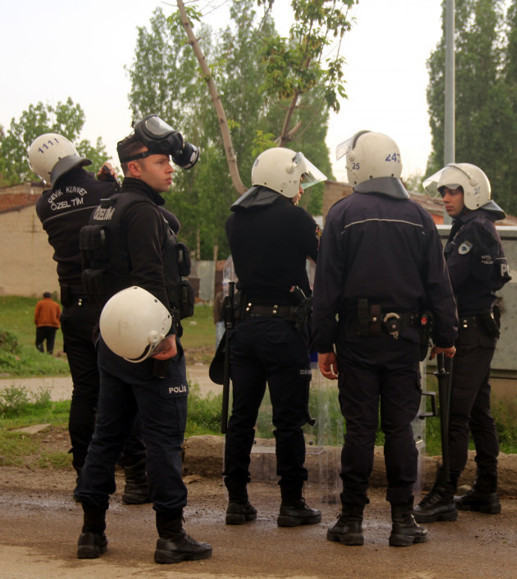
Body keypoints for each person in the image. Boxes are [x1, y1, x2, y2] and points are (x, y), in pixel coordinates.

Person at [74, 114, 211, 564]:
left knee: (106, 438)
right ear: (135, 168)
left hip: (111, 343)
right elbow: (152, 278)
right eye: (160, 161)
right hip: (151, 345)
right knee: (163, 439)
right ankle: (171, 536)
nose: (170, 168)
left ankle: (91, 534)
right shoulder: (143, 213)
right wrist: (167, 336)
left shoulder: (105, 208)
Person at [312, 130, 458, 547]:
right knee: (399, 430)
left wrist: (324, 343)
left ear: (358, 166)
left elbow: (326, 288)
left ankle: (352, 521)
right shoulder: (419, 219)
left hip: (356, 341)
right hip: (404, 341)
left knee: (359, 430)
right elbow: (439, 284)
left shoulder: (341, 215)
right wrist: (446, 335)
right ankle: (402, 522)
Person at [29, 134, 148, 503]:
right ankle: (137, 478)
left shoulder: (44, 205)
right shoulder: (103, 191)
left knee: (85, 393)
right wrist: (111, 182)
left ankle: (85, 476)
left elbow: (70, 201)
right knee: (127, 390)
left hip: (73, 312)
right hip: (111, 308)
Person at [222, 147, 325, 528]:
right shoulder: (295, 219)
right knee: (288, 421)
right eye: (298, 180)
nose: (300, 188)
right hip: (284, 331)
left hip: (245, 330)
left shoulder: (235, 220)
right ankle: (291, 504)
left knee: (241, 419)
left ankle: (236, 502)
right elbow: (327, 254)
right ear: (282, 178)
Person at [412, 162, 511, 524]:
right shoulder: (471, 227)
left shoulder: (475, 230)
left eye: (452, 191)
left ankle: (444, 493)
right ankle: (487, 488)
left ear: (471, 193)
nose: (445, 198)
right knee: (478, 410)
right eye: (442, 192)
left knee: (455, 413)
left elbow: (447, 279)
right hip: (476, 327)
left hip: (471, 331)